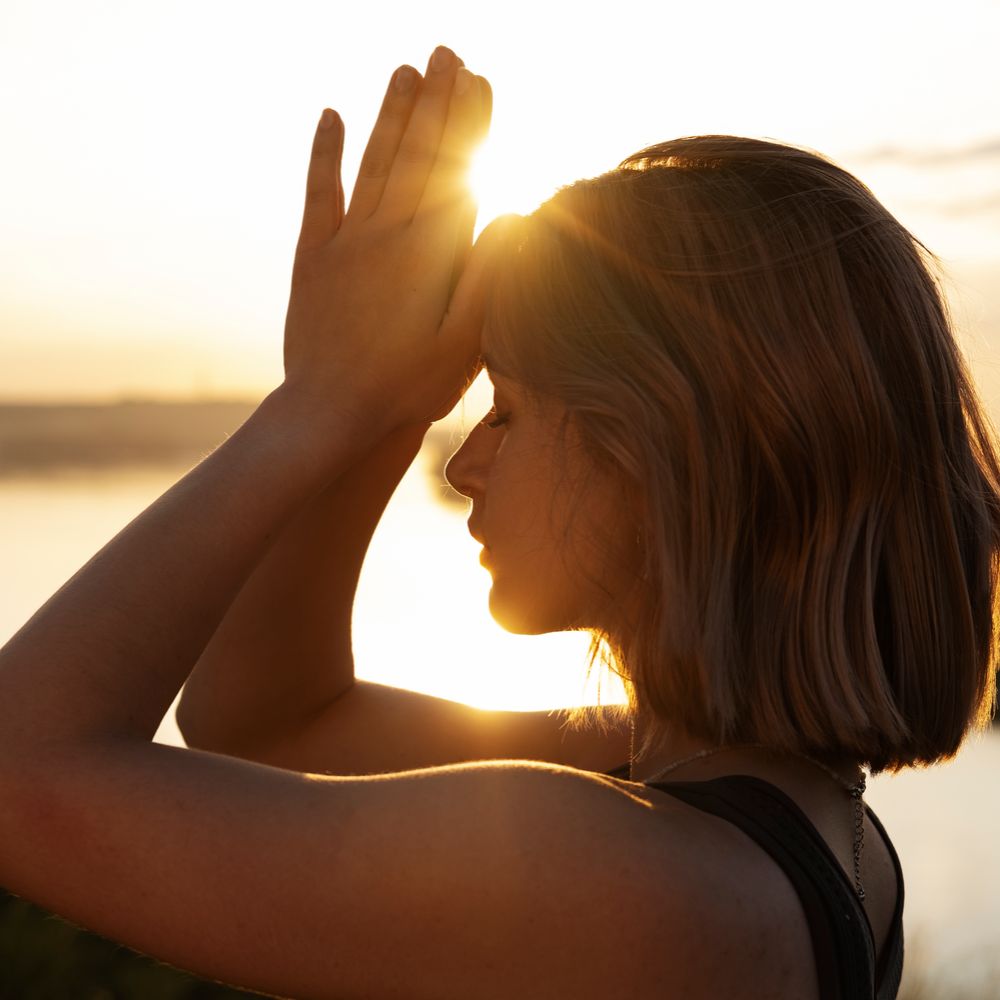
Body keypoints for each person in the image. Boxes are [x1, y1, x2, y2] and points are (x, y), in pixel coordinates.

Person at [0, 42, 996, 1000]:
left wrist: (319, 407)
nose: (466, 461)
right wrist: (381, 409)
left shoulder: (629, 878)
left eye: (508, 410)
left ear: (664, 458)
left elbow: (19, 773)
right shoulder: (781, 814)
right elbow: (264, 720)